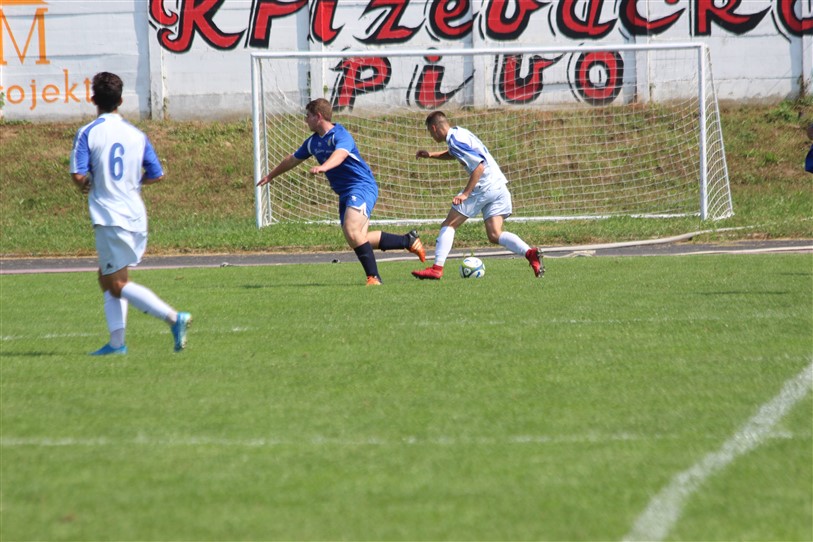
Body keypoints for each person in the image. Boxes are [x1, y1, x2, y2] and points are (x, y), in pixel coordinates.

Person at [70, 72, 191, 355]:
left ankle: (173, 318)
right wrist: (132, 182)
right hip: (136, 216)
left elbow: (78, 176)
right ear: (121, 101)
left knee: (117, 283)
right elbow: (157, 174)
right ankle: (116, 344)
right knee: (106, 276)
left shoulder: (88, 132)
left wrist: (88, 183)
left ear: (93, 99)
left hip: (110, 217)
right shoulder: (137, 135)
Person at [256, 98, 425, 286]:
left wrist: (324, 167)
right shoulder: (313, 142)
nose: (305, 120)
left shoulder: (340, 135)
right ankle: (407, 241)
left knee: (352, 230)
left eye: (308, 116)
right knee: (358, 238)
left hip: (361, 186)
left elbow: (340, 154)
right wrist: (271, 176)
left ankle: (374, 278)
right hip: (345, 193)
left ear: (318, 116)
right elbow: (292, 159)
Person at [411, 111, 543, 280]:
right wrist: (431, 155)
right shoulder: (459, 133)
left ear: (434, 128)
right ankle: (530, 253)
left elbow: (479, 166)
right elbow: (455, 153)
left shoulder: (455, 141)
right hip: (498, 184)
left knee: (449, 224)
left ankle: (436, 269)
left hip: (483, 186)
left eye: (430, 132)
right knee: (494, 234)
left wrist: (466, 194)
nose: (431, 135)